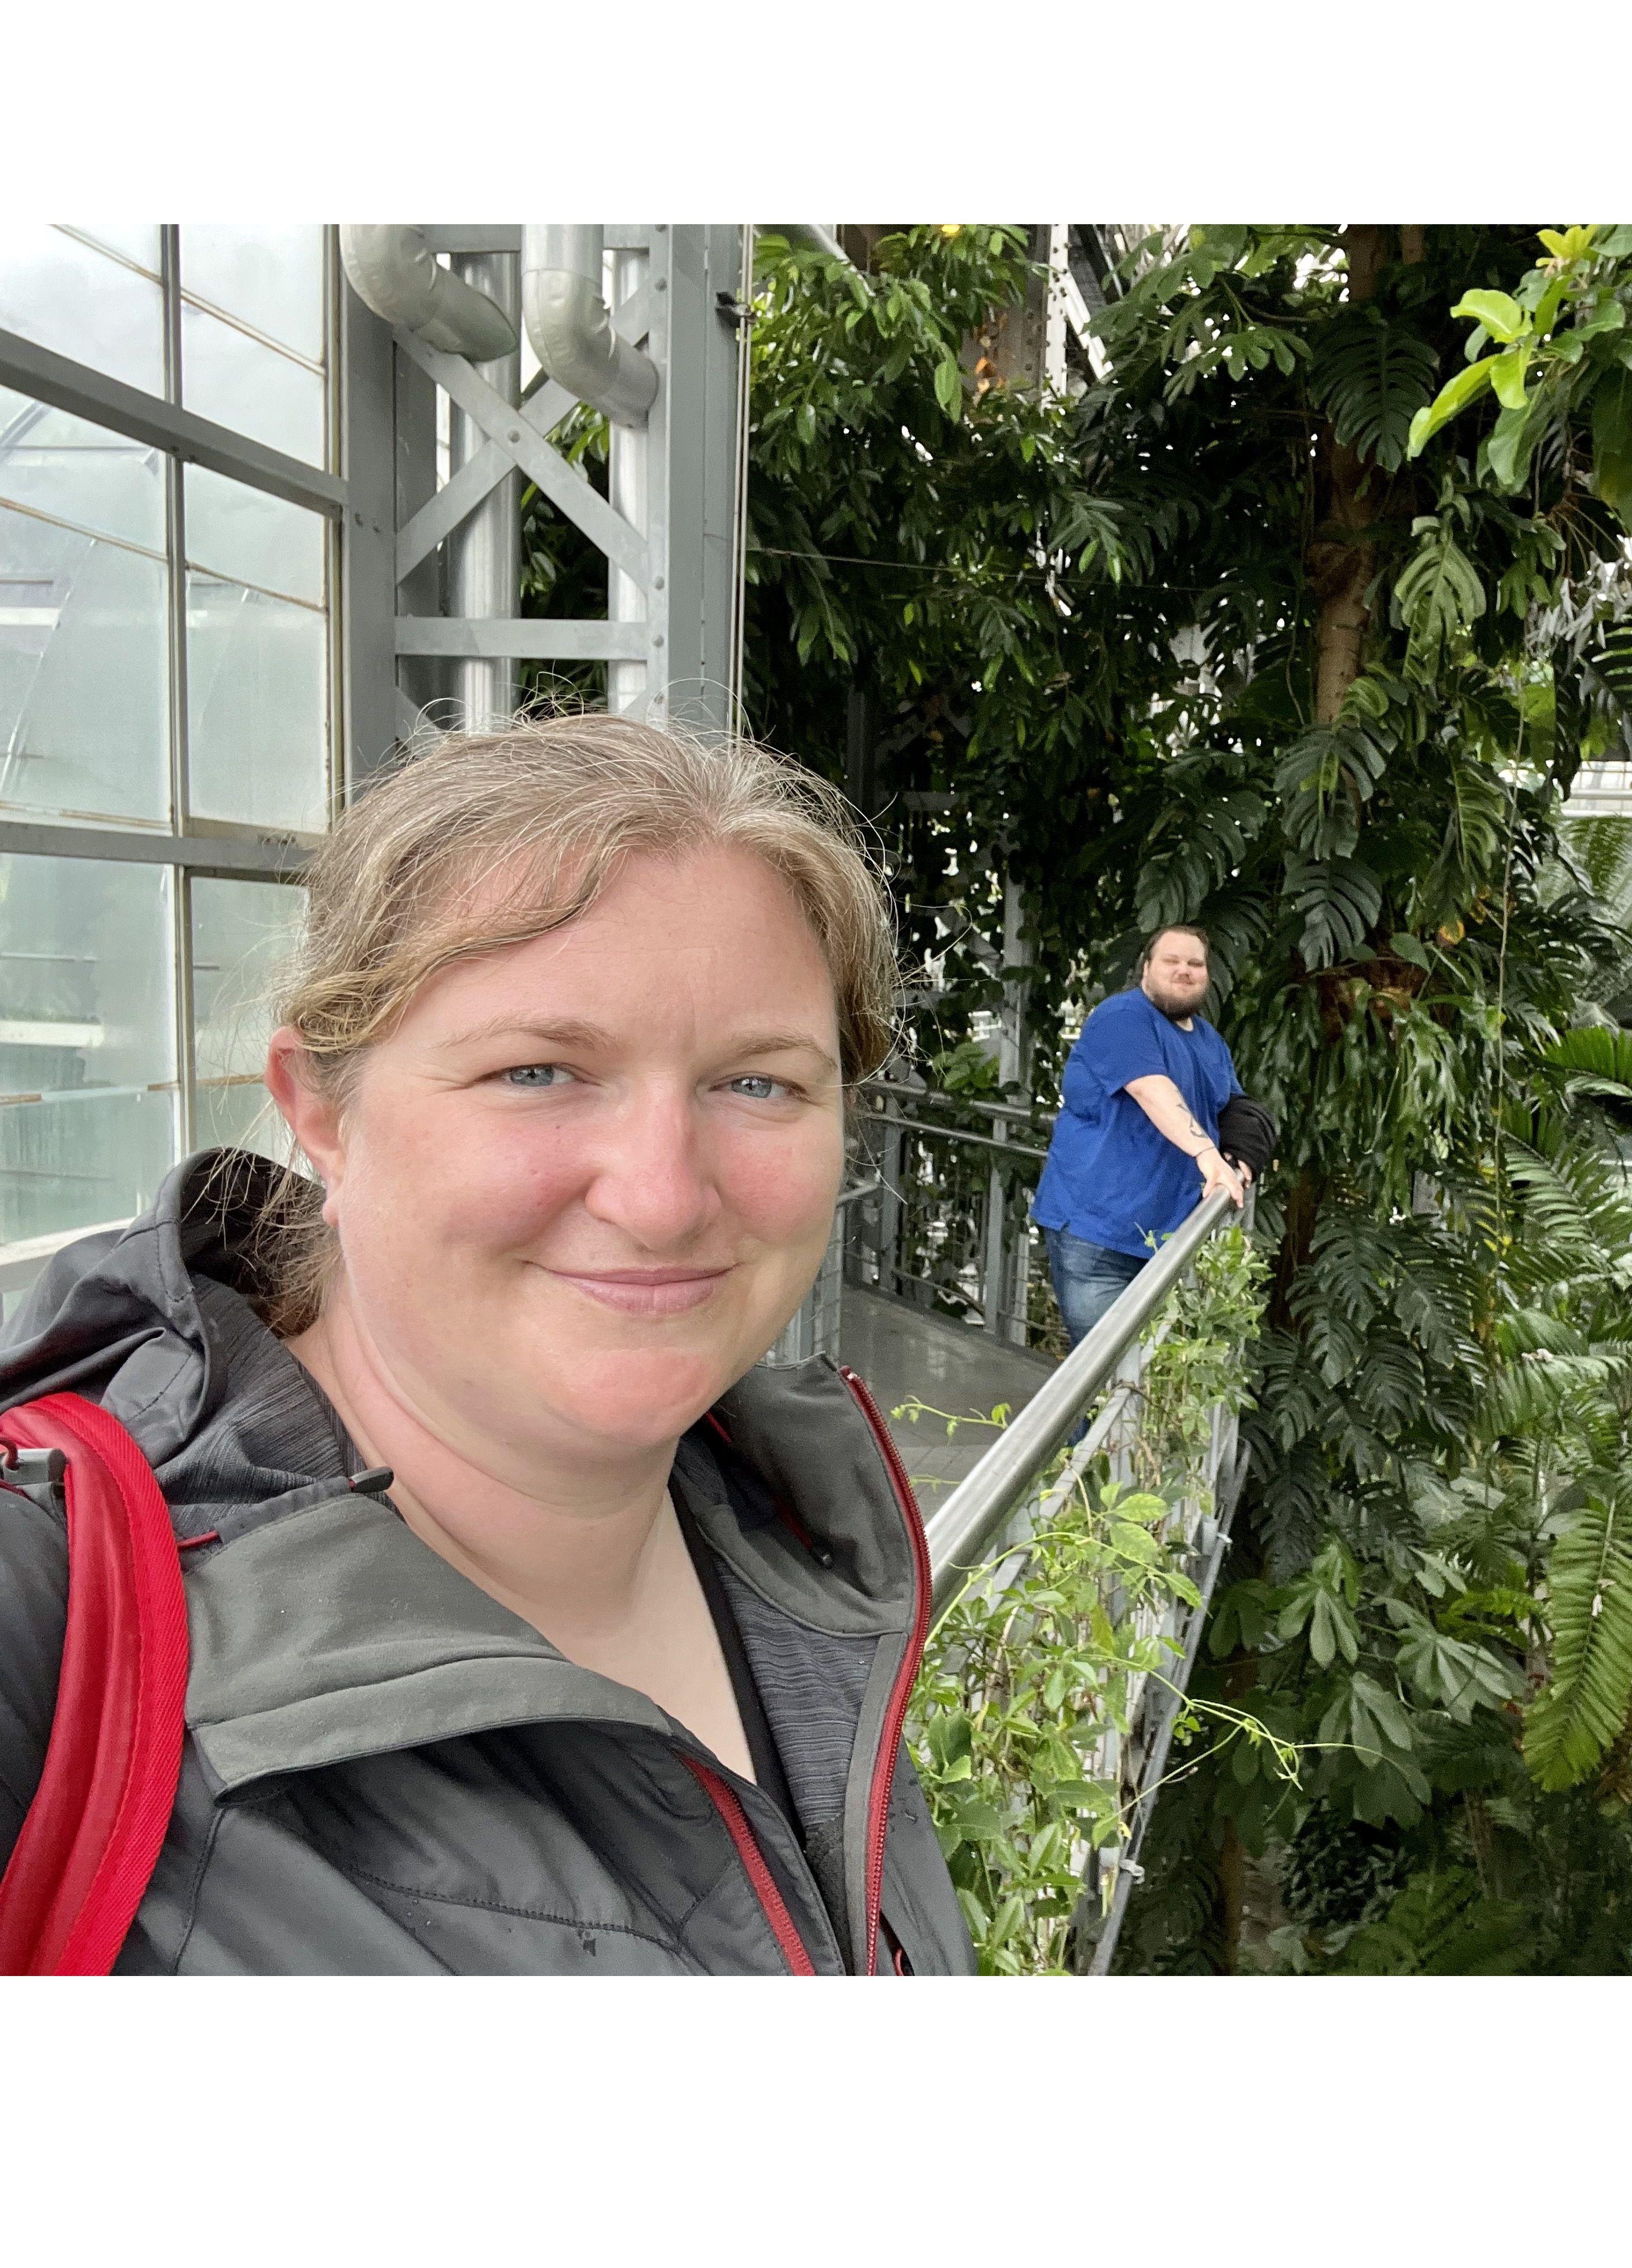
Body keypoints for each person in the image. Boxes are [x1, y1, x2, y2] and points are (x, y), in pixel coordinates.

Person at [0, 714, 973, 1975]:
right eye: (538, 1072)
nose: (663, 1196)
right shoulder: (50, 1616)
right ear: (322, 1112)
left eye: (758, 1084)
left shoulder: (799, 1544)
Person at [1031, 924, 1249, 1346]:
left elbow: (1236, 1111)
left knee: (1152, 1390)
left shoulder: (1211, 1042)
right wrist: (1207, 1154)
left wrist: (1244, 1159)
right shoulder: (1123, 1017)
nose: (1184, 971)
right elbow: (1151, 1089)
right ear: (1146, 968)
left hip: (1169, 1240)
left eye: (1195, 963)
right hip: (1098, 1236)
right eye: (1171, 960)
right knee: (1109, 1382)